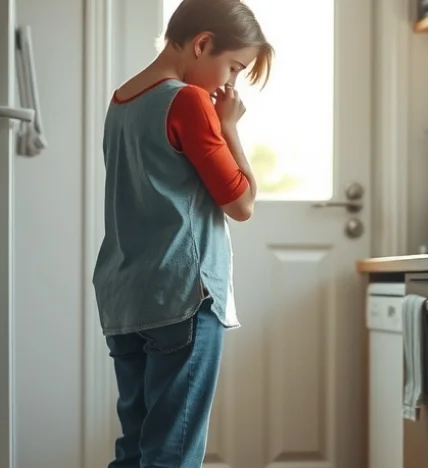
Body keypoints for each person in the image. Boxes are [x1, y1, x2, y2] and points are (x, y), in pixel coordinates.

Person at [92, 0, 273, 466]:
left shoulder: (121, 101)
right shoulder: (187, 100)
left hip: (125, 297)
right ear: (202, 44)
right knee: (172, 453)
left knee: (135, 448)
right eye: (233, 68)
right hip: (181, 297)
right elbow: (242, 203)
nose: (230, 85)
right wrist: (229, 127)